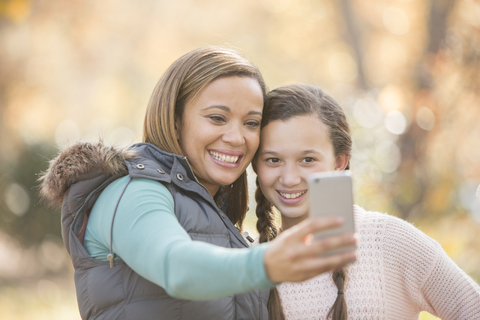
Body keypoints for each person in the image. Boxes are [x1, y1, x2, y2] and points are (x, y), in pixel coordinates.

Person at [39, 47, 357, 320]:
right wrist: (267, 263)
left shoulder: (221, 219)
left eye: (251, 123)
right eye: (217, 118)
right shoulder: (132, 189)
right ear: (175, 119)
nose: (236, 138)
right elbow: (176, 266)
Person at [253, 84, 480, 320]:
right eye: (273, 160)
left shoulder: (390, 241)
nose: (289, 178)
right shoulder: (251, 265)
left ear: (340, 161)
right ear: (256, 165)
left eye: (308, 159)